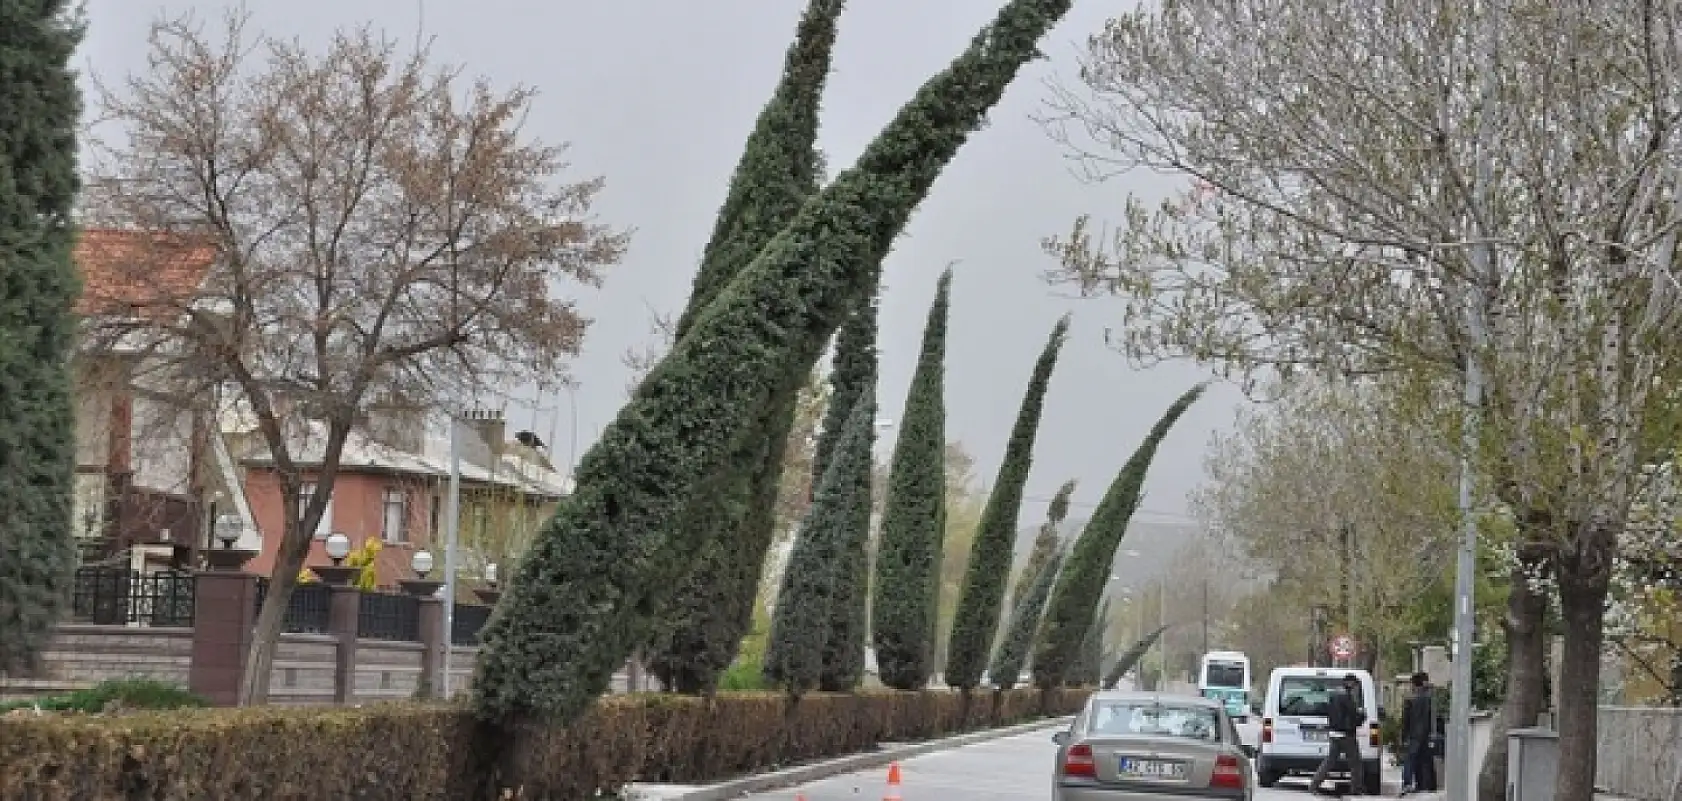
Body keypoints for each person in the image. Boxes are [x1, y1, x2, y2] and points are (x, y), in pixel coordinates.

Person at [1311, 673, 1367, 797]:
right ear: (1349, 683)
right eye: (1354, 683)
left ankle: (1314, 785)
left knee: (1329, 762)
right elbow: (1353, 715)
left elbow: (1328, 711)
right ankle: (1356, 789)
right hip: (1346, 734)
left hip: (1334, 733)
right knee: (1356, 763)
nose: (1355, 686)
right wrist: (1362, 716)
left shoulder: (1334, 695)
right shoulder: (1346, 697)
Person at [1400, 672, 1437, 794]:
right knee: (1424, 760)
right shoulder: (1429, 698)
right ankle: (1424, 785)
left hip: (1413, 734)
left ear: (1414, 684)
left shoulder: (1410, 700)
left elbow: (1406, 720)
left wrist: (1403, 736)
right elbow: (1432, 717)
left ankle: (1407, 784)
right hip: (1425, 734)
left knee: (1410, 760)